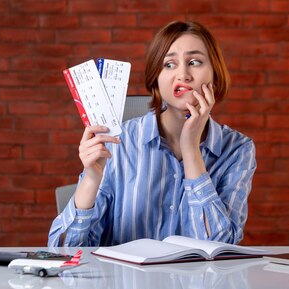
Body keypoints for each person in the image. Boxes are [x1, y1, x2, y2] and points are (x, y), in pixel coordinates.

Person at [48, 21, 256, 247]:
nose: (183, 74)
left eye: (194, 62)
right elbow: (63, 252)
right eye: (169, 64)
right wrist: (90, 179)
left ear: (214, 77)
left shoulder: (238, 149)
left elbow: (219, 248)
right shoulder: (119, 142)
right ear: (156, 79)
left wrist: (191, 150)